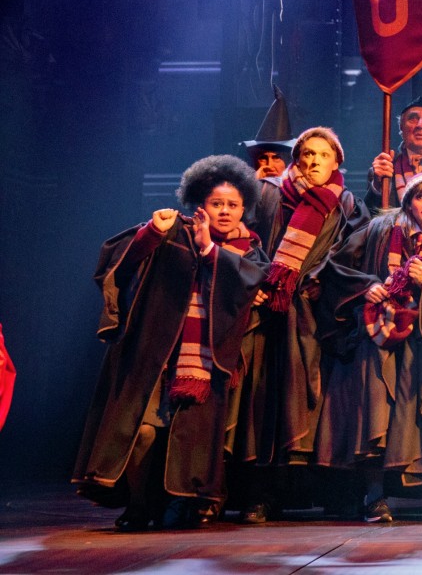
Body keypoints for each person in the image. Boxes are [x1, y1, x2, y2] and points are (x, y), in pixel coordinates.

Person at [74, 156, 266, 530]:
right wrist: (150, 233)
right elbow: (118, 263)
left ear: (244, 208)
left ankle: (184, 504)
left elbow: (250, 283)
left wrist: (209, 249)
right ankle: (139, 505)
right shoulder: (172, 231)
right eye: (216, 203)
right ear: (200, 204)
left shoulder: (249, 250)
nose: (225, 211)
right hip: (157, 355)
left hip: (209, 364)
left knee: (190, 439)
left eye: (233, 204)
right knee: (143, 431)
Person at [314, 169, 422, 522]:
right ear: (408, 201)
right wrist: (367, 285)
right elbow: (335, 265)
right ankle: (374, 495)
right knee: (376, 410)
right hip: (378, 334)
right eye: (420, 196)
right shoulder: (379, 229)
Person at [236, 127, 366, 522]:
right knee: (267, 402)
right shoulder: (270, 194)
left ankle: (334, 494)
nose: (313, 162)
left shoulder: (347, 205)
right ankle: (263, 495)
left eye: (323, 155)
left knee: (325, 405)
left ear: (337, 161)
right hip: (273, 312)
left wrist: (322, 281)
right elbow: (247, 240)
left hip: (321, 316)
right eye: (307, 154)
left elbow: (353, 255)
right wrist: (259, 282)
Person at [241, 86, 295, 242]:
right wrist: (253, 186)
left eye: (276, 158)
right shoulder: (241, 191)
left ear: (287, 161)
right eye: (263, 158)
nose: (269, 165)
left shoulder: (297, 192)